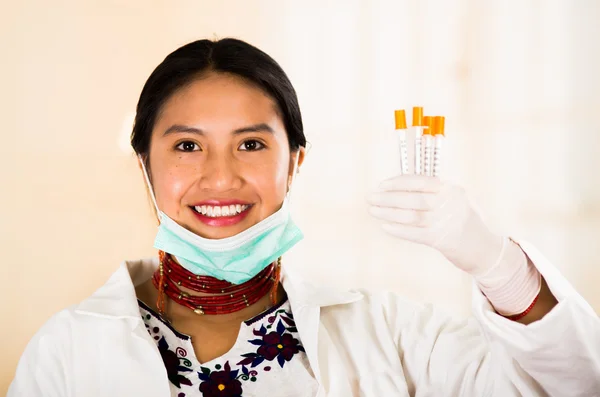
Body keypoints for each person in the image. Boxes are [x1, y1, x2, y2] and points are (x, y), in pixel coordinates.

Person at [8, 38, 599, 397]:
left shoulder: (387, 333)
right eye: (187, 146)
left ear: (296, 162)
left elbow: (571, 388)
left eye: (252, 144)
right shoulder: (70, 348)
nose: (221, 178)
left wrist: (499, 266)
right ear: (144, 164)